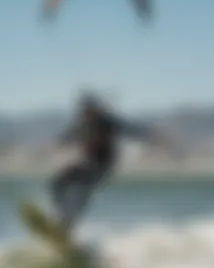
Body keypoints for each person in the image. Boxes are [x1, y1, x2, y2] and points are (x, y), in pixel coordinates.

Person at [48, 92, 157, 233]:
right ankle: (61, 217)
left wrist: (152, 136)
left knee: (82, 193)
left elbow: (131, 129)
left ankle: (66, 225)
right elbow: (68, 136)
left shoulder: (107, 123)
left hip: (103, 167)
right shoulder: (83, 125)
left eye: (89, 111)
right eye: (84, 112)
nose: (86, 115)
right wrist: (58, 142)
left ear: (95, 109)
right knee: (56, 184)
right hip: (87, 165)